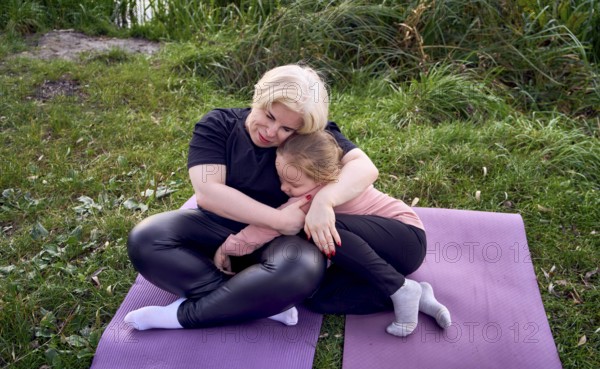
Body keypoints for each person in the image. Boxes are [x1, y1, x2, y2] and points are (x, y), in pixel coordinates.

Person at [124, 63, 380, 330]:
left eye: (287, 130)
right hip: (217, 228)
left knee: (301, 269)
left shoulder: (312, 137)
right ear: (259, 97)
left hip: (276, 244)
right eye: (269, 116)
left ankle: (185, 315)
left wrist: (324, 201)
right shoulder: (218, 125)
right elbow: (209, 193)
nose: (271, 132)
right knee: (147, 238)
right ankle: (255, 303)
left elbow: (364, 167)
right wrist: (279, 220)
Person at [213, 131, 451, 336]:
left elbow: (270, 226)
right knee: (318, 298)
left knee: (320, 227)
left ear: (322, 178)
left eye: (292, 184)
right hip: (379, 255)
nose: (285, 188)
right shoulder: (308, 187)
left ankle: (399, 288)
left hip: (406, 239)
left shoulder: (315, 195)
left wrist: (233, 246)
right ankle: (414, 294)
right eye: (281, 179)